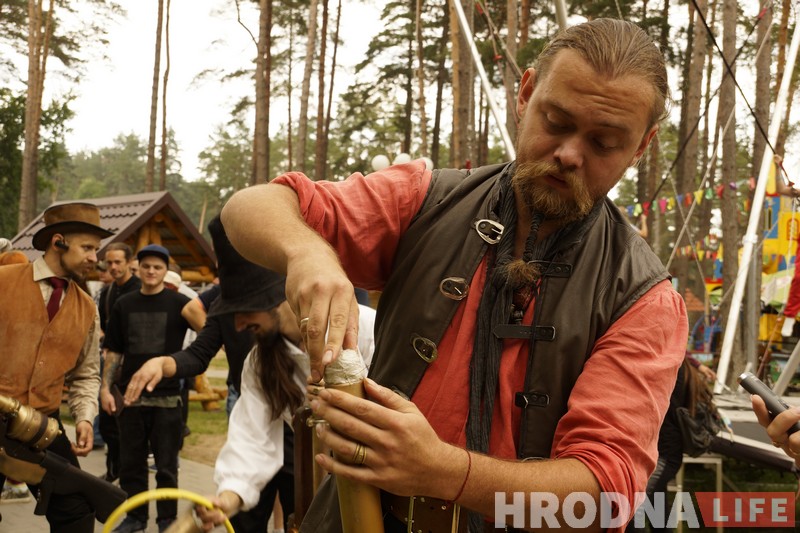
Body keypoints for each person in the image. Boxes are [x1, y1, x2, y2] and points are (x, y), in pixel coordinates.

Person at [221, 18, 688, 533]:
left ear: (641, 146)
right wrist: (308, 252)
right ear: (526, 93)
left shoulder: (644, 298)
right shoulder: (424, 199)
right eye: (555, 120)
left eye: (604, 143)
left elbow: (607, 492)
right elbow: (250, 207)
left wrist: (444, 471)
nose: (570, 154)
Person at [123, 216, 377, 531]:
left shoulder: (366, 329)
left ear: (279, 296)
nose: (240, 326)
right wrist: (229, 496)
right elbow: (253, 438)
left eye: (246, 311)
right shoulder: (259, 362)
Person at [0, 202, 113, 531]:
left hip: (42, 425)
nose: (95, 257)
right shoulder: (3, 281)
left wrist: (84, 418)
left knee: (76, 511)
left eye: (97, 249)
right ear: (58, 241)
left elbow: (86, 374)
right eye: (88, 247)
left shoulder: (87, 307)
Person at [100, 244, 206, 533]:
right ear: (138, 267)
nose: (150, 271)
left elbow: (208, 333)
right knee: (131, 465)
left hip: (169, 399)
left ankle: (166, 520)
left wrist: (185, 363)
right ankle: (135, 518)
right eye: (145, 266)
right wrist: (105, 389)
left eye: (157, 267)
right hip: (131, 400)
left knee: (166, 467)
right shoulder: (125, 304)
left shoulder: (179, 303)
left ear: (165, 271)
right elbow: (113, 352)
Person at [97, 242, 142, 483]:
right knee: (107, 425)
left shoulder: (139, 289)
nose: (113, 267)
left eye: (118, 262)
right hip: (111, 369)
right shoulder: (107, 292)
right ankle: (114, 469)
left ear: (128, 262)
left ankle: (128, 475)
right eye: (109, 263)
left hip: (134, 369)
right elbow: (103, 327)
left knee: (129, 428)